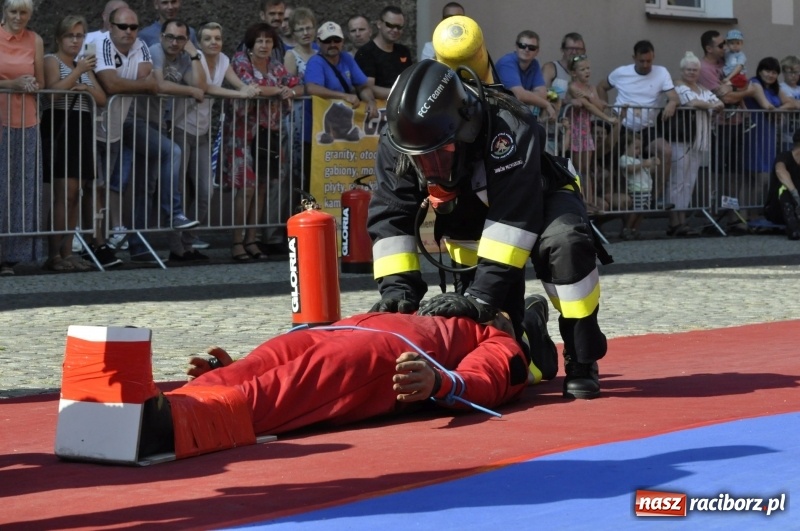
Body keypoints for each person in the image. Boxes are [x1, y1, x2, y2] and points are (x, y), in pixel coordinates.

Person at [367, 59, 608, 399]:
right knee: (497, 350)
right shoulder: (402, 140)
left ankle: (582, 358)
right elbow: (391, 215)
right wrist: (397, 292)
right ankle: (532, 336)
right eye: (423, 159)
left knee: (564, 244)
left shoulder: (507, 124)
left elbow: (513, 222)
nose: (432, 168)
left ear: (463, 128)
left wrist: (481, 297)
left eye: (441, 154)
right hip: (472, 216)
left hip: (540, 195)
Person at [115, 300, 554, 458]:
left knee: (291, 387)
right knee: (251, 368)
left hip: (385, 355)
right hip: (344, 330)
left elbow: (488, 378)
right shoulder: (453, 317)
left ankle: (171, 426)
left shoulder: (501, 342)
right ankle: (180, 402)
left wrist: (440, 383)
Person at [41, 15, 111, 272]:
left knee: (76, 194)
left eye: (80, 35)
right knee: (64, 193)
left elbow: (102, 98)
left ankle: (68, 251)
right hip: (61, 124)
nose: (75, 40)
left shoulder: (84, 64)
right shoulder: (52, 60)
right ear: (60, 38)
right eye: (71, 35)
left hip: (82, 127)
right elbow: (53, 92)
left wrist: (85, 85)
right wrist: (78, 74)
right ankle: (54, 255)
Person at [223, 22, 298, 262]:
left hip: (270, 132)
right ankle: (236, 242)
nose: (264, 45)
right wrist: (279, 90)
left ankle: (252, 240)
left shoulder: (275, 65)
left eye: (268, 41)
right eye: (259, 41)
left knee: (263, 187)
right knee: (246, 188)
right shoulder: (240, 61)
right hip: (242, 133)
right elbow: (252, 88)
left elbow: (293, 82)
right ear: (251, 44)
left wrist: (288, 90)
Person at [147, 18, 210, 262]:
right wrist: (190, 91)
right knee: (149, 184)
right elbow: (160, 85)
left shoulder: (185, 58)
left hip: (164, 124)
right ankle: (142, 242)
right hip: (142, 121)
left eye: (181, 39)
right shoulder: (155, 51)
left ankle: (185, 243)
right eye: (170, 37)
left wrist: (194, 56)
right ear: (161, 36)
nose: (174, 43)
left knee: (201, 189)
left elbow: (201, 86)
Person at [597, 40, 679, 211]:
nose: (646, 65)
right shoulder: (621, 72)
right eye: (641, 61)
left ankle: (656, 199)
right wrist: (606, 111)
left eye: (649, 61)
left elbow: (673, 96)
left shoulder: (661, 72)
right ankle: (614, 203)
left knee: (665, 151)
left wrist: (672, 103)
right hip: (622, 126)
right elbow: (601, 86)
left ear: (653, 57)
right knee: (616, 164)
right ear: (634, 58)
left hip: (646, 127)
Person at [0, 0, 45, 276]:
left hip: (26, 121)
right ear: (4, 11)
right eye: (13, 11)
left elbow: (42, 81)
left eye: (24, 12)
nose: (19, 17)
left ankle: (11, 256)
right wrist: (10, 84)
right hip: (0, 119)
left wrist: (32, 84)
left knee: (21, 190)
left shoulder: (35, 40)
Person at [667, 51, 722, 236]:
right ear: (682, 70)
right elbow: (691, 102)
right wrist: (710, 105)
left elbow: (718, 102)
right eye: (688, 69)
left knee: (689, 181)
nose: (692, 73)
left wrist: (709, 104)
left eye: (695, 70)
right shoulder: (677, 85)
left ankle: (682, 221)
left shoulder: (701, 88)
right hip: (682, 138)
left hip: (699, 140)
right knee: (678, 181)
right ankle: (675, 222)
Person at [742, 57, 794, 225]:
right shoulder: (755, 83)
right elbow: (767, 106)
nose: (771, 75)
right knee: (757, 177)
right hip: (754, 132)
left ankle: (753, 213)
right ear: (760, 70)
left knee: (762, 177)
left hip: (769, 135)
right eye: (767, 71)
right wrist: (776, 111)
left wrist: (780, 109)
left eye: (774, 72)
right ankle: (746, 214)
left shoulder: (774, 88)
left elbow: (791, 103)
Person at [304, 20, 378, 137]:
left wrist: (371, 101)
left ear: (342, 42)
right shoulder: (315, 62)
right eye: (327, 41)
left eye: (336, 40)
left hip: (341, 126)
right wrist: (344, 96)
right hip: (317, 129)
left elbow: (362, 86)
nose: (333, 44)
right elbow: (312, 88)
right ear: (318, 42)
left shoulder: (346, 58)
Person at [565, 54, 616, 213]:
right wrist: (607, 118)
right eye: (582, 69)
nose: (587, 71)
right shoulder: (573, 86)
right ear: (574, 73)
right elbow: (590, 106)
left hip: (586, 131)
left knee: (587, 169)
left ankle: (590, 200)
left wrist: (590, 96)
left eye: (588, 68)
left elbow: (598, 105)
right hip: (576, 131)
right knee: (578, 168)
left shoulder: (591, 88)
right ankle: (582, 200)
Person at [283, 7, 317, 195]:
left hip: (319, 116)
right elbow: (290, 87)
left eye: (309, 28)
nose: (306, 33)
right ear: (293, 32)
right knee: (298, 165)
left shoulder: (320, 52)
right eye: (301, 29)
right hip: (298, 116)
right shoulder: (290, 55)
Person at [494, 30, 557, 121]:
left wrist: (526, 95)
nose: (526, 50)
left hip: (515, 115)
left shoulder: (534, 64)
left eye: (531, 48)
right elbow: (519, 95)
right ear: (516, 46)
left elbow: (542, 94)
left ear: (537, 51)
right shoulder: (507, 62)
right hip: (498, 113)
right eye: (522, 46)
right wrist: (546, 104)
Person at [354, 5, 413, 101]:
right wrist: (399, 94)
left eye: (399, 27)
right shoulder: (365, 53)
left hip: (404, 108)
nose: (395, 30)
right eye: (390, 25)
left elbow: (411, 80)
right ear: (379, 24)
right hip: (378, 110)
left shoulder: (403, 51)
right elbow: (367, 88)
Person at [763, 129, 800, 240]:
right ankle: (793, 228)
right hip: (778, 209)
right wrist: (795, 194)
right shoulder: (784, 156)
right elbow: (780, 171)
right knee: (783, 188)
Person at [618, 134, 655, 240]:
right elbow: (630, 169)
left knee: (643, 211)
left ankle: (635, 229)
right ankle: (627, 229)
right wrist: (643, 164)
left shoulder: (639, 160)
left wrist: (653, 164)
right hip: (637, 189)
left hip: (647, 189)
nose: (638, 151)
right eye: (636, 148)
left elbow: (648, 171)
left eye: (640, 148)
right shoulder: (625, 159)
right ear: (626, 147)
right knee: (636, 210)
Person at [542, 32, 585, 100]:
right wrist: (564, 102)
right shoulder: (550, 67)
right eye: (570, 49)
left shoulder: (583, 71)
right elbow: (544, 92)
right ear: (562, 50)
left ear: (584, 52)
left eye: (578, 49)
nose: (574, 52)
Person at [779, 55, 800, 152]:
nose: (793, 75)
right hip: (787, 136)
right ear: (783, 72)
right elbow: (792, 104)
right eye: (790, 72)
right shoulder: (781, 87)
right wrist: (794, 103)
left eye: (796, 72)